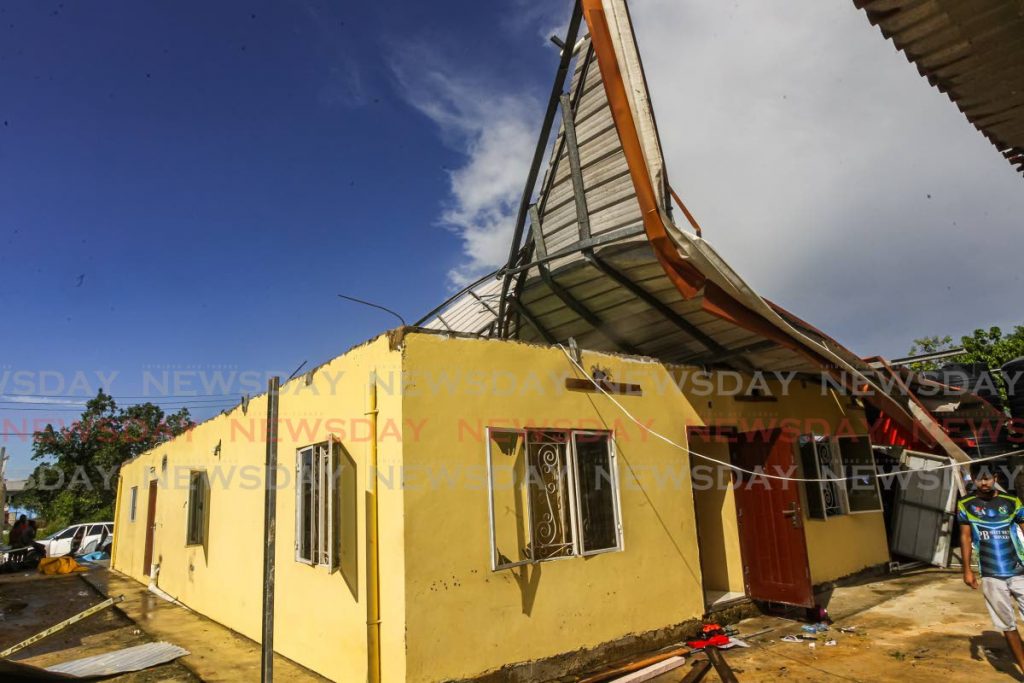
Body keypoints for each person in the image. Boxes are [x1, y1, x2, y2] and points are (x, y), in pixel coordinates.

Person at [959, 463, 1024, 675]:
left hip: (1019, 570)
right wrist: (967, 570)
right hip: (991, 574)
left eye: (987, 478)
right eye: (979, 478)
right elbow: (966, 537)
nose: (984, 483)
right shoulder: (965, 504)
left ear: (995, 477)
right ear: (972, 478)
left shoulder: (1012, 501)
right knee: (1007, 625)